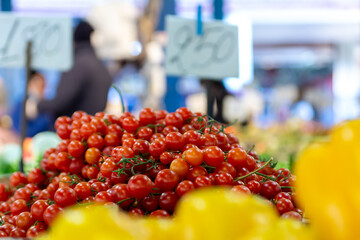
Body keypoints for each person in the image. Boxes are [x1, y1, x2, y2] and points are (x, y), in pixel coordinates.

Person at [31, 20, 112, 119]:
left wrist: (37, 105)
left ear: (73, 41)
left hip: (75, 128)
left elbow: (61, 102)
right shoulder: (99, 64)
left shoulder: (77, 64)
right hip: (93, 127)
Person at [12, 71, 52, 136]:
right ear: (29, 85)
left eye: (42, 85)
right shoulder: (21, 105)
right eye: (36, 85)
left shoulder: (48, 106)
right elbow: (19, 129)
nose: (40, 89)